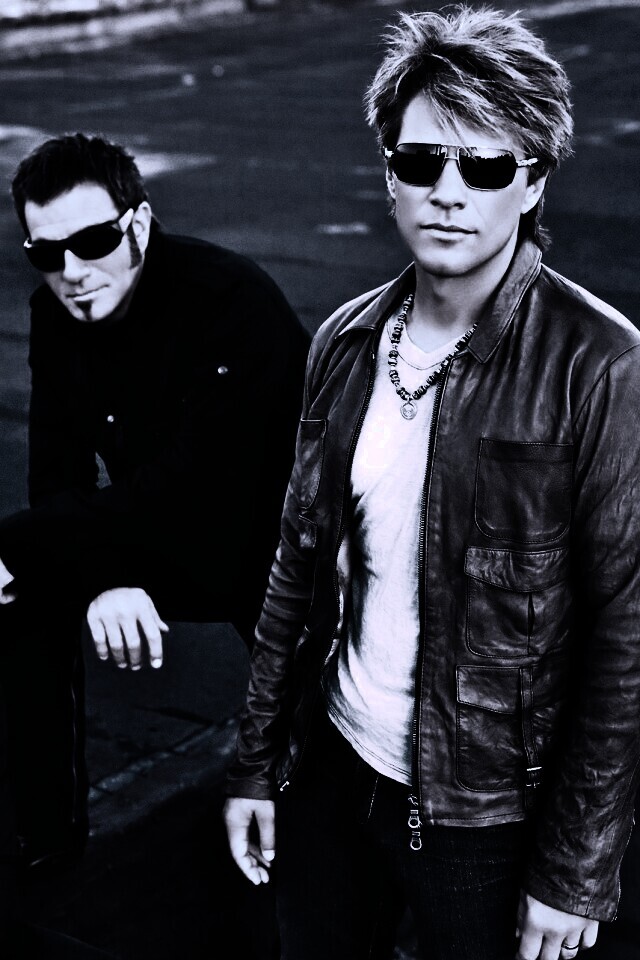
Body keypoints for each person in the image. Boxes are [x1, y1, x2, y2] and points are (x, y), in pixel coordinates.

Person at [223, 7, 640, 960]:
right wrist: (254, 763)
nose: (449, 193)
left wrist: (574, 871)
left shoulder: (601, 365)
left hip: (487, 822)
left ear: (533, 180)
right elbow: (296, 571)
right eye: (421, 163)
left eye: (485, 166)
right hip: (333, 769)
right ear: (389, 175)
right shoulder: (346, 342)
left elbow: (626, 639)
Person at [0, 132, 310, 871]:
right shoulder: (55, 314)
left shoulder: (228, 299)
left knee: (323, 759)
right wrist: (103, 575)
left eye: (93, 242)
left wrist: (26, 541)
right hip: (159, 531)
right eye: (47, 253)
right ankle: (45, 844)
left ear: (138, 222)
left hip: (286, 548)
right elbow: (57, 473)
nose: (72, 272)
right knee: (19, 589)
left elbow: (202, 484)